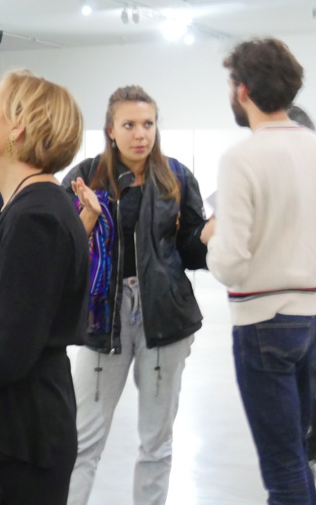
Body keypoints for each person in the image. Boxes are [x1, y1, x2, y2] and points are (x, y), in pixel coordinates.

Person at [63, 86, 209, 505]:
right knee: (83, 441)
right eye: (129, 125)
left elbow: (190, 251)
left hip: (164, 316)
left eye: (148, 124)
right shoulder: (85, 176)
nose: (140, 134)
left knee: (157, 442)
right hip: (102, 317)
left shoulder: (176, 176)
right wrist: (87, 217)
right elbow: (63, 249)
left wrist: (209, 233)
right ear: (111, 130)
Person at [0, 70, 89, 505]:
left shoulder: (37, 217)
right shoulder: (22, 208)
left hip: (20, 437)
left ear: (19, 126)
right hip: (12, 426)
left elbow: (9, 349)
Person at [202, 37, 316, 504]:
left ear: (243, 90)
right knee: (299, 454)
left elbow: (230, 263)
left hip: (263, 323)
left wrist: (211, 242)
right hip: (312, 317)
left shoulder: (241, 159)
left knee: (282, 466)